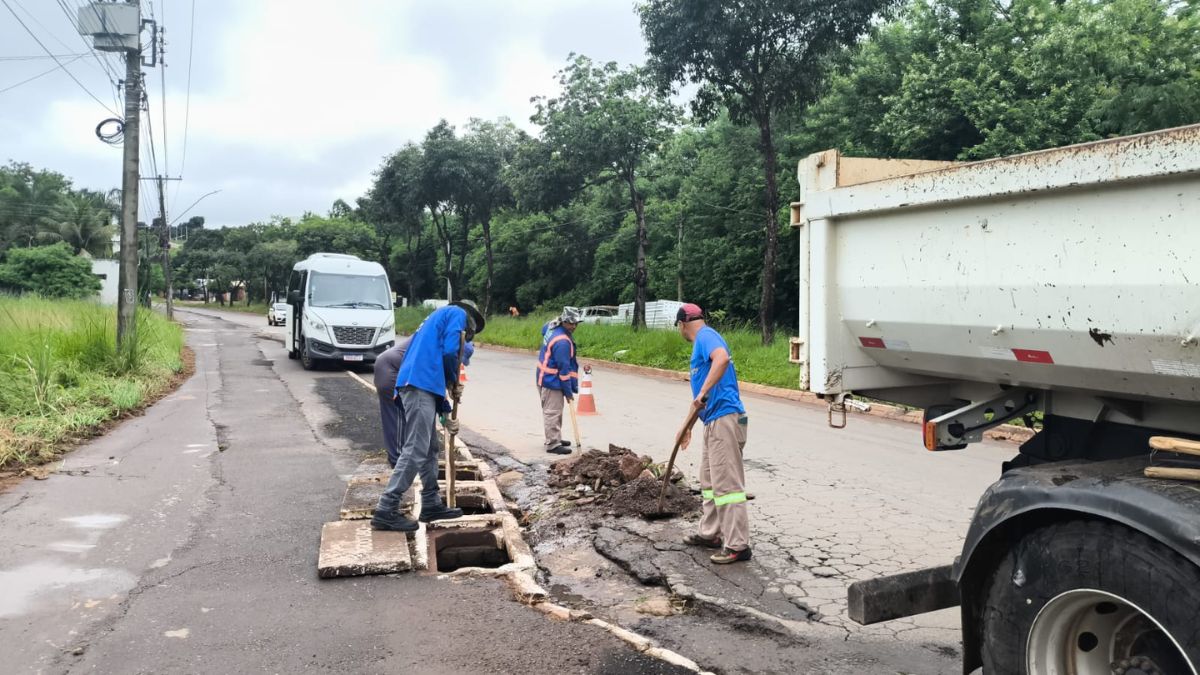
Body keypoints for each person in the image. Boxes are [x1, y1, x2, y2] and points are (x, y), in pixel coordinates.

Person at [371, 300, 485, 532]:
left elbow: (435, 372)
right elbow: (451, 351)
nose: (469, 335)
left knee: (430, 448)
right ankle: (386, 508)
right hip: (417, 385)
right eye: (470, 333)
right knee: (416, 448)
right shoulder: (455, 313)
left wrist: (445, 412)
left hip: (420, 385)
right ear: (470, 323)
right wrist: (454, 380)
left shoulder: (434, 325)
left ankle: (431, 503)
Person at [675, 303, 751, 564]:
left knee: (727, 486)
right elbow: (699, 399)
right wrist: (686, 429)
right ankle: (711, 534)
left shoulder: (706, 336)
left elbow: (722, 359)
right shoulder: (701, 344)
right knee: (710, 482)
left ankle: (738, 546)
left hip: (724, 420)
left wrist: (703, 392)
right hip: (713, 421)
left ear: (682, 324)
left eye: (679, 328)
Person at [374, 337, 474, 467]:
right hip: (392, 370)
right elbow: (432, 387)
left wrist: (445, 412)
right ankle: (398, 465)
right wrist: (445, 411)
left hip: (397, 368)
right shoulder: (435, 350)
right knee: (398, 418)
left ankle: (410, 462)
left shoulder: (441, 346)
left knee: (414, 418)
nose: (458, 364)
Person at [536, 308, 580, 456]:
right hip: (551, 380)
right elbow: (564, 371)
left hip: (545, 377)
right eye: (570, 323)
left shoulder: (551, 326)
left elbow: (544, 329)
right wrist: (569, 392)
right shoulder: (562, 342)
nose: (574, 327)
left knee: (555, 410)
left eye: (576, 323)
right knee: (552, 412)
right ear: (564, 321)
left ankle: (555, 437)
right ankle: (553, 444)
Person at [374, 336, 413, 467]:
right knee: (398, 416)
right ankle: (398, 462)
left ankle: (398, 459)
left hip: (387, 366)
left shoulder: (431, 335)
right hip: (391, 371)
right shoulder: (440, 347)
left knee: (395, 417)